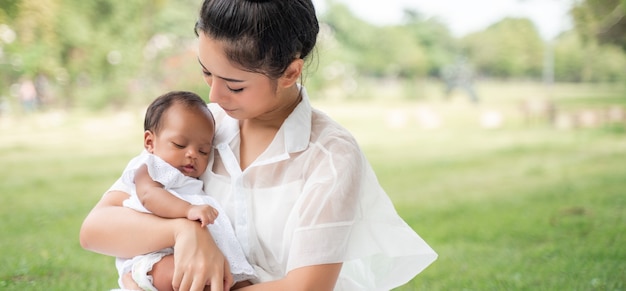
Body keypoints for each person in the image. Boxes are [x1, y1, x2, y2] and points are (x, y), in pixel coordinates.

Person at [80, 1, 437, 290]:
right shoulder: (203, 127)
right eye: (207, 72)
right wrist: (181, 229)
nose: (213, 96)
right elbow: (96, 229)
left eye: (234, 86)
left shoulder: (328, 155)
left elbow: (306, 288)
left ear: (290, 73)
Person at [113, 91, 255, 291]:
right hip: (155, 259)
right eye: (180, 145)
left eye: (203, 151)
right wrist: (188, 209)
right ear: (149, 142)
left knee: (229, 280)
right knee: (197, 281)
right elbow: (149, 195)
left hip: (196, 254)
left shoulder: (189, 180)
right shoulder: (151, 166)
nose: (192, 154)